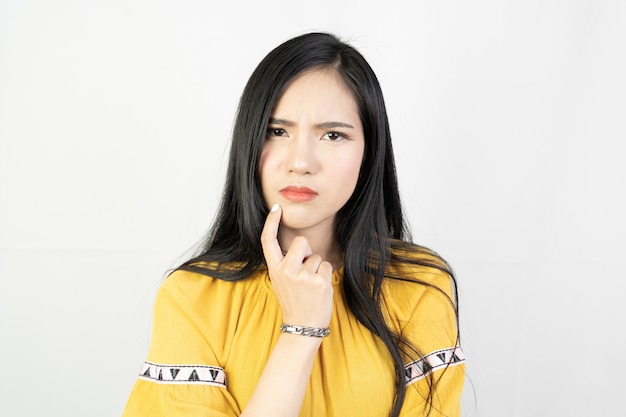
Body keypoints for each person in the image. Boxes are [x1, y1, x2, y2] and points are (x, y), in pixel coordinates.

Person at [121, 32, 465, 417]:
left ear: (369, 153)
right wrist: (300, 331)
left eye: (333, 134)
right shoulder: (193, 297)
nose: (301, 161)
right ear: (249, 143)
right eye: (277, 131)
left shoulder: (418, 287)